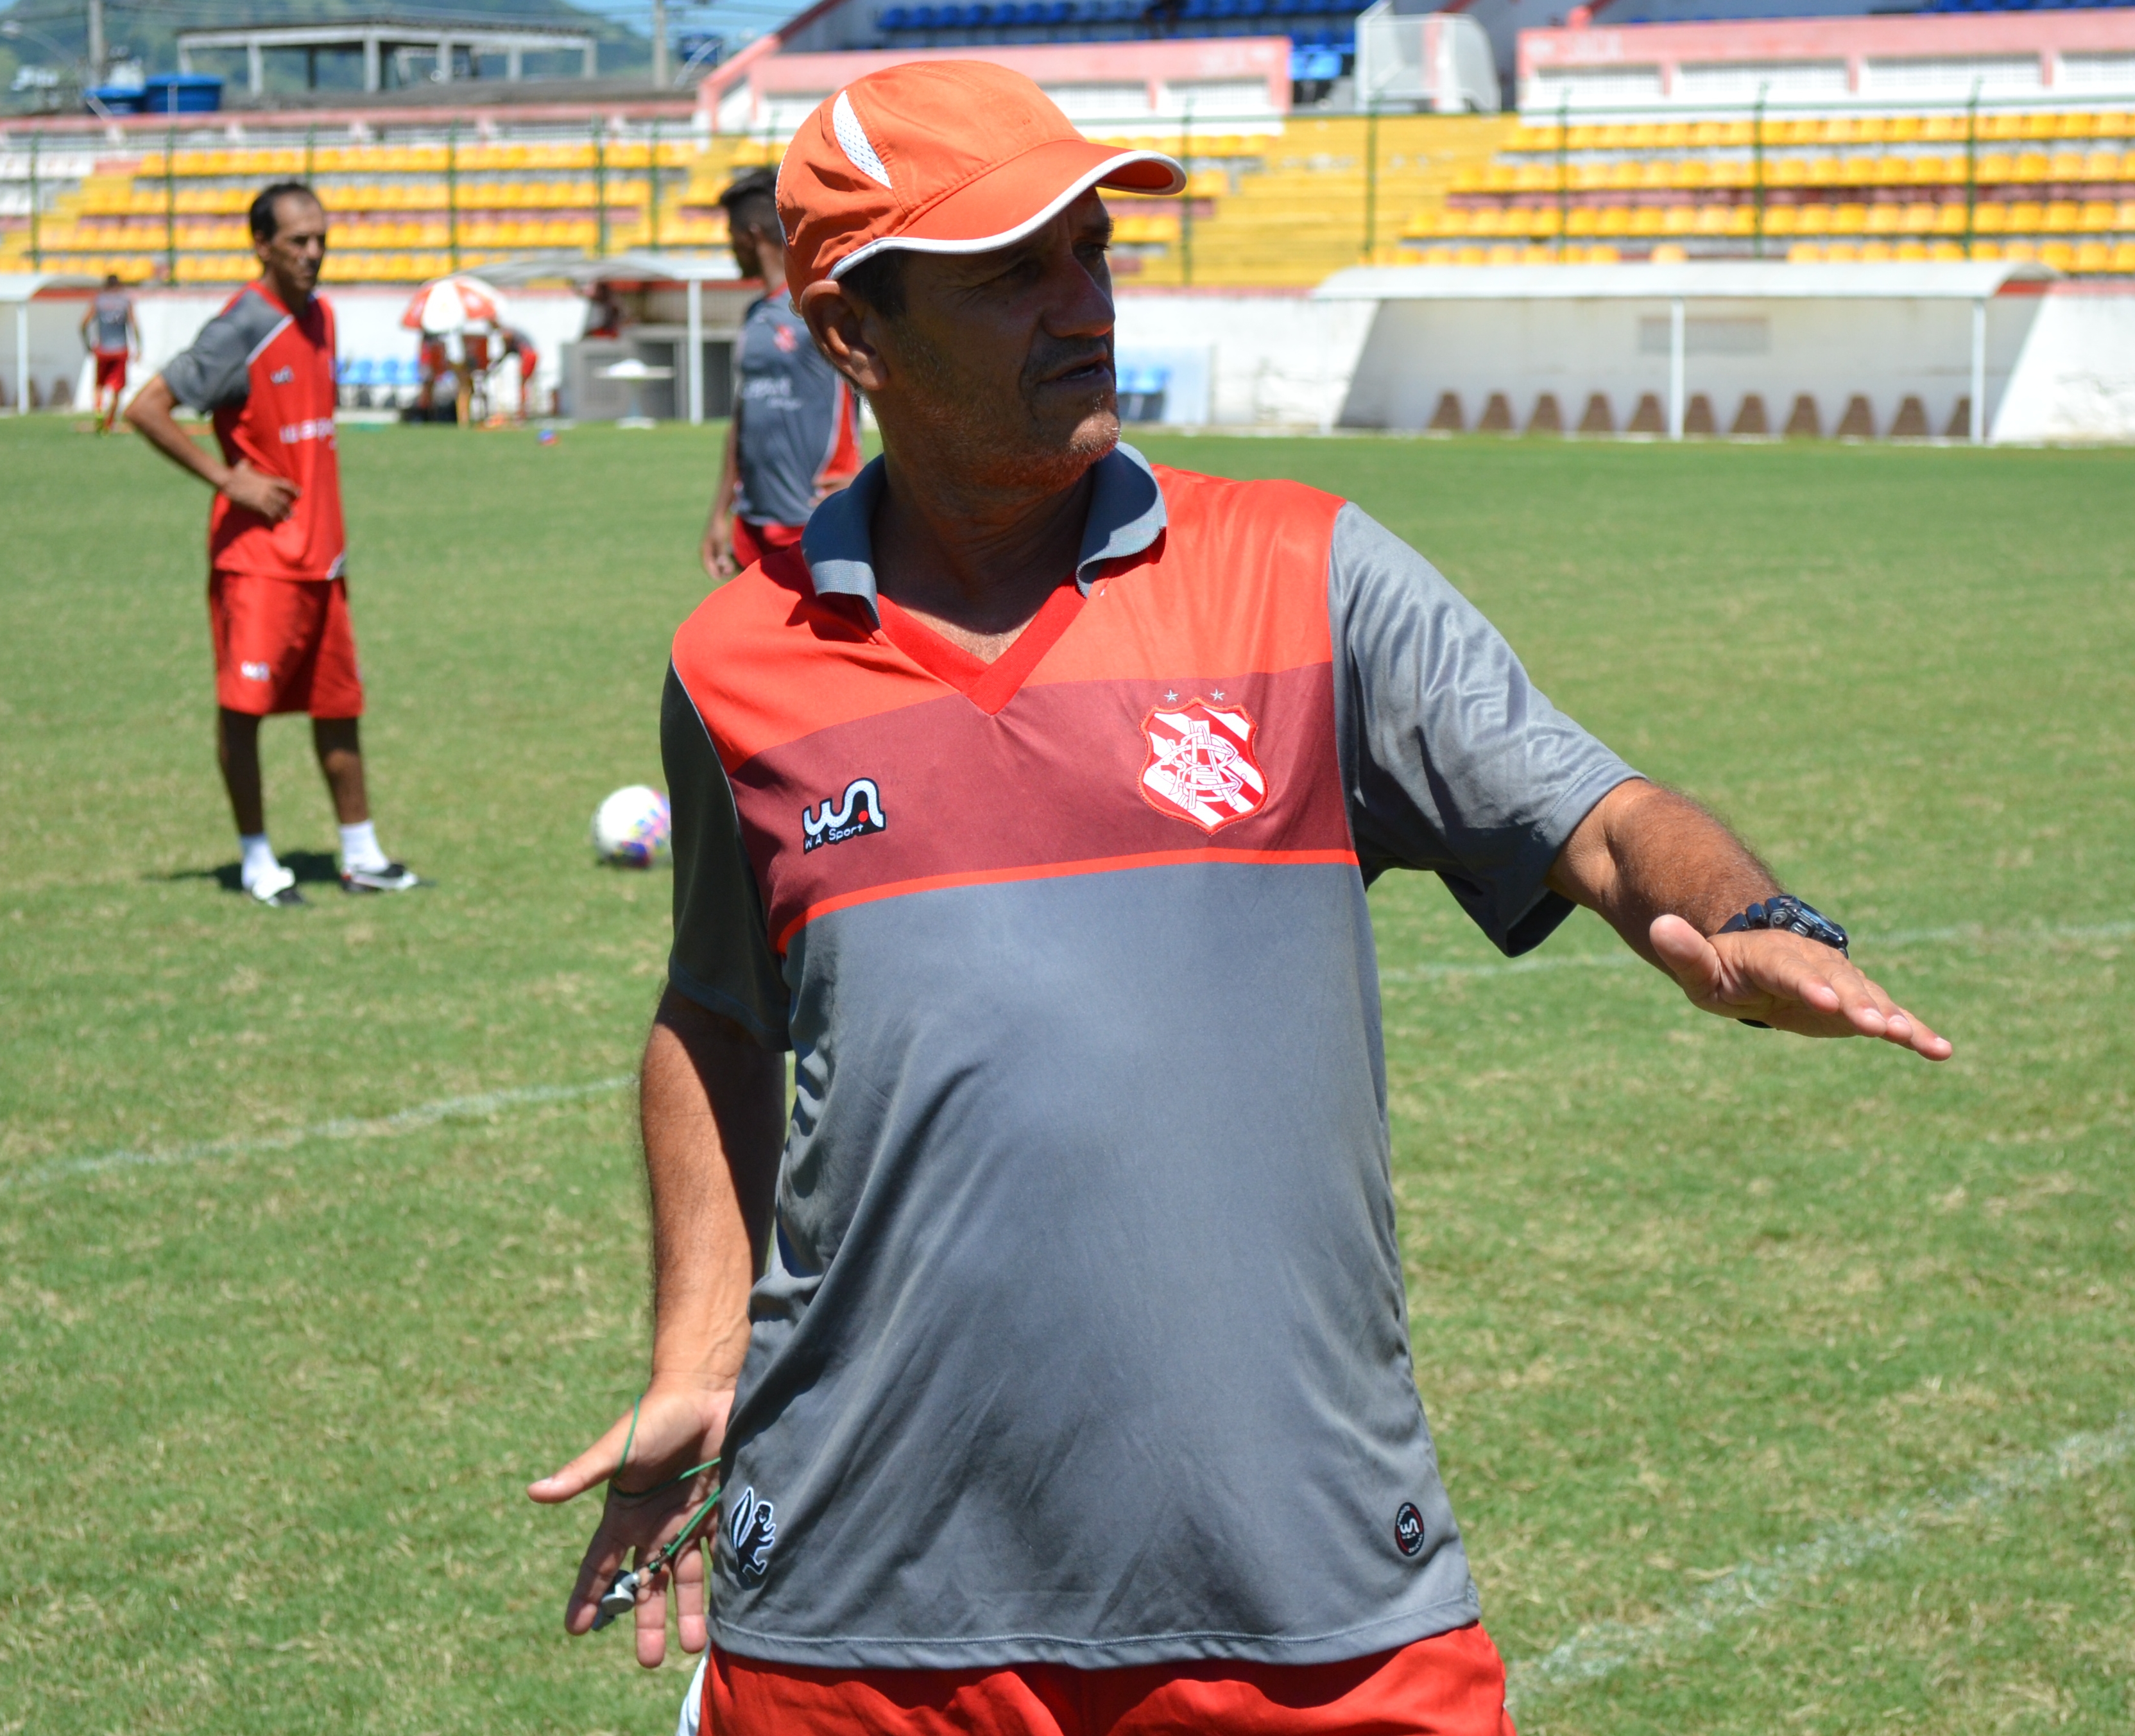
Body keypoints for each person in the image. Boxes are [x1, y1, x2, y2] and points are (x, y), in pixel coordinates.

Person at [528, 61, 1951, 1736]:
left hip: (1299, 1596)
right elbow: (713, 1015)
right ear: (850, 332)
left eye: (1092, 254)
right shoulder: (732, 670)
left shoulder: (1306, 576)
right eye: (1011, 272)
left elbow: (1604, 812)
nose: (1080, 306)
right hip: (852, 1609)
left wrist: (1753, 914)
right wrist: (696, 1359)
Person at [126, 181, 418, 908]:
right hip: (257, 561)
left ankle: (362, 853)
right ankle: (257, 859)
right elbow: (145, 407)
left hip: (325, 557)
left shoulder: (322, 316)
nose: (314, 253)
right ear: (262, 246)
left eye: (321, 238)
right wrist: (229, 480)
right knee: (244, 708)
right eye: (297, 241)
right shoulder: (241, 325)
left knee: (338, 705)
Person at [698, 166, 862, 582]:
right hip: (753, 521)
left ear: (752, 235)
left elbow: (891, 383)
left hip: (813, 514)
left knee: (831, 642)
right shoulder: (754, 316)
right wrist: (720, 514)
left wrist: (871, 474)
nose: (729, 248)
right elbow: (743, 417)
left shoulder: (819, 306)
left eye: (731, 235)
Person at [81, 273, 137, 434]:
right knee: (117, 388)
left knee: (99, 385)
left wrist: (87, 345)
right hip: (120, 350)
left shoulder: (98, 300)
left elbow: (83, 324)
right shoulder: (125, 301)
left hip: (103, 349)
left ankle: (99, 412)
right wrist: (139, 347)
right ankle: (109, 421)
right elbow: (134, 325)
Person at [499, 323, 542, 420]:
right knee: (525, 385)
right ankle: (524, 410)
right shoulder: (514, 336)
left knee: (523, 385)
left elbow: (507, 337)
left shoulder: (509, 333)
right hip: (532, 355)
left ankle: (522, 412)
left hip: (528, 355)